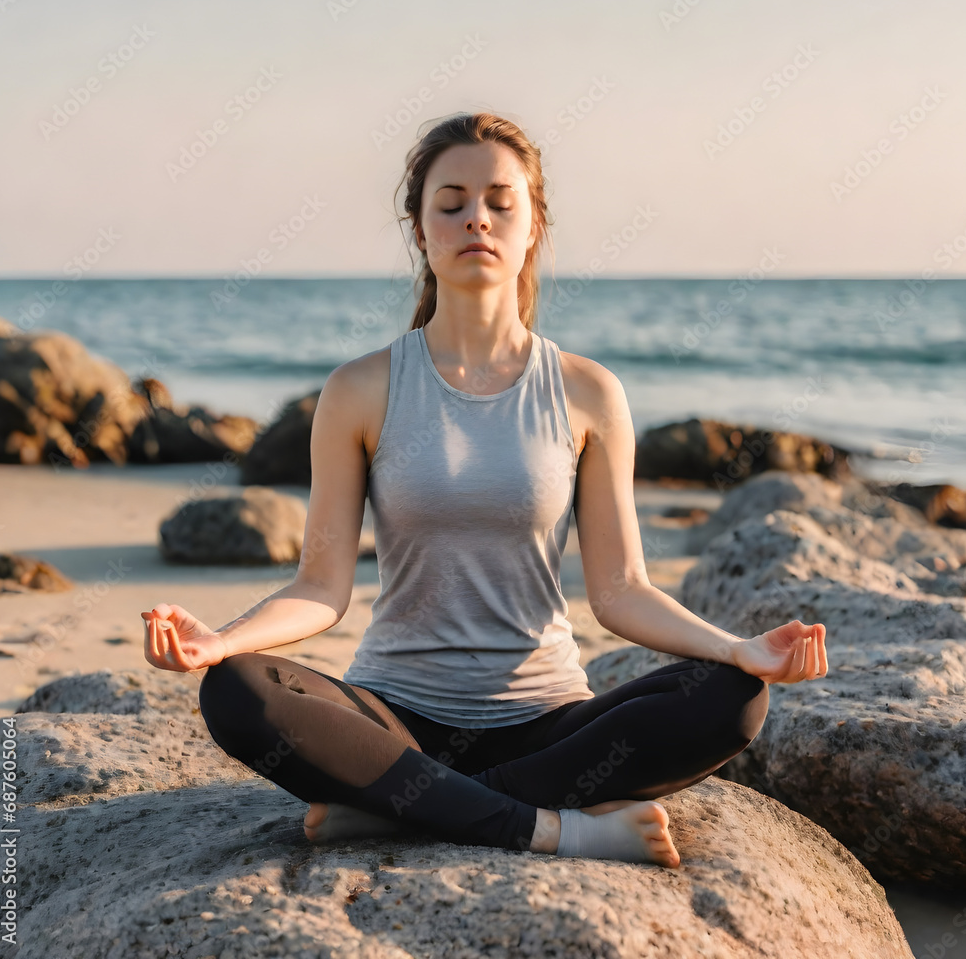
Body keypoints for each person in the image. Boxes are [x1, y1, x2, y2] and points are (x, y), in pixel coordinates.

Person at [141, 111, 828, 866]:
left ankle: (405, 808)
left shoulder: (588, 391)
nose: (478, 218)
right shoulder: (361, 389)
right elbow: (321, 586)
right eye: (452, 201)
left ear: (534, 224)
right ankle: (546, 827)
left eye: (501, 200)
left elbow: (622, 590)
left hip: (547, 721)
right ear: (419, 229)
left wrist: (739, 648)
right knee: (237, 690)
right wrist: (222, 641)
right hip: (392, 720)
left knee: (734, 698)